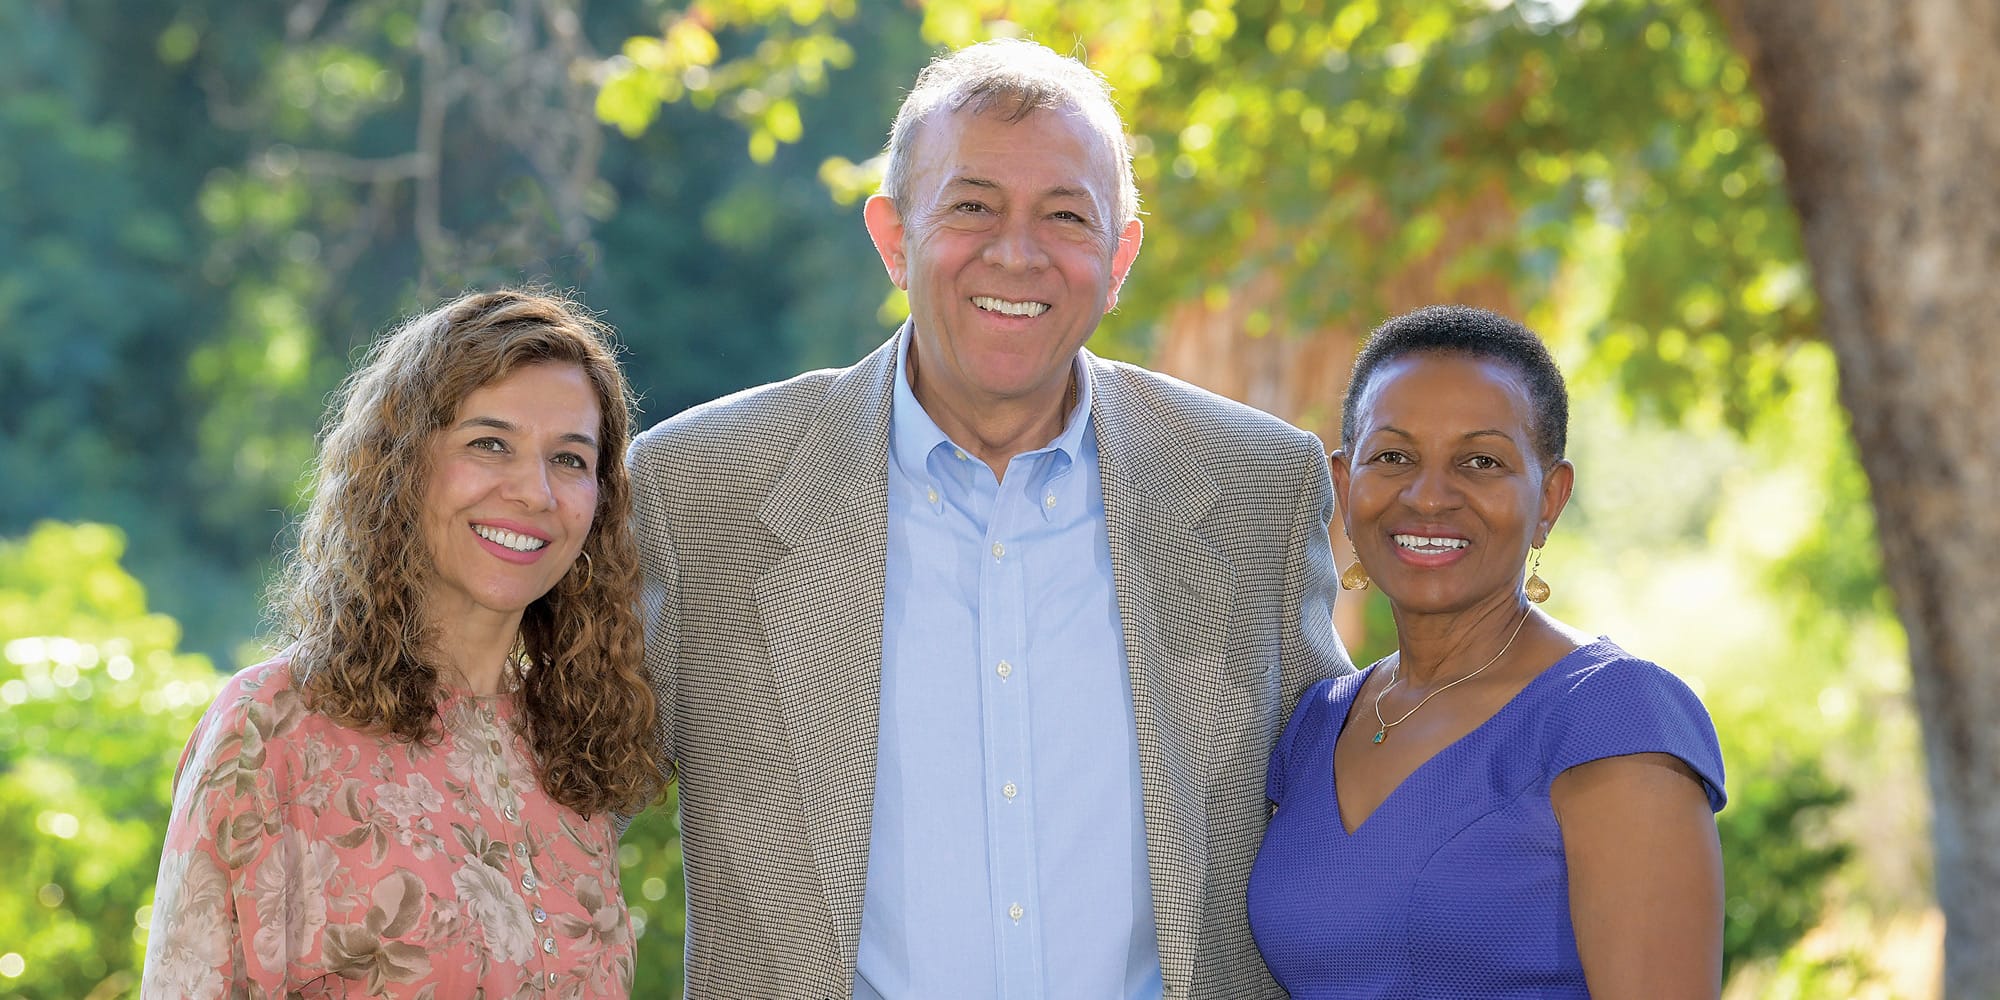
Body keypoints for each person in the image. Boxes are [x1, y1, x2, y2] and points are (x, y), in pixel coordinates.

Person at [626, 37, 1353, 999]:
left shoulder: (1257, 486)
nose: (1017, 252)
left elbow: (1343, 803)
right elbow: (547, 777)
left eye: (1065, 214)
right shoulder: (701, 489)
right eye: (972, 207)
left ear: (1119, 253)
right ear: (892, 237)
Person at [141, 289, 663, 998]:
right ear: (400, 465)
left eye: (570, 460)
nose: (535, 492)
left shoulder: (570, 743)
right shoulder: (272, 729)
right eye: (490, 444)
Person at [1248, 304, 1727, 998]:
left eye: (1481, 461)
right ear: (1346, 486)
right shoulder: (1315, 726)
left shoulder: (1612, 716)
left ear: (1549, 499)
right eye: (1394, 457)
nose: (1430, 496)